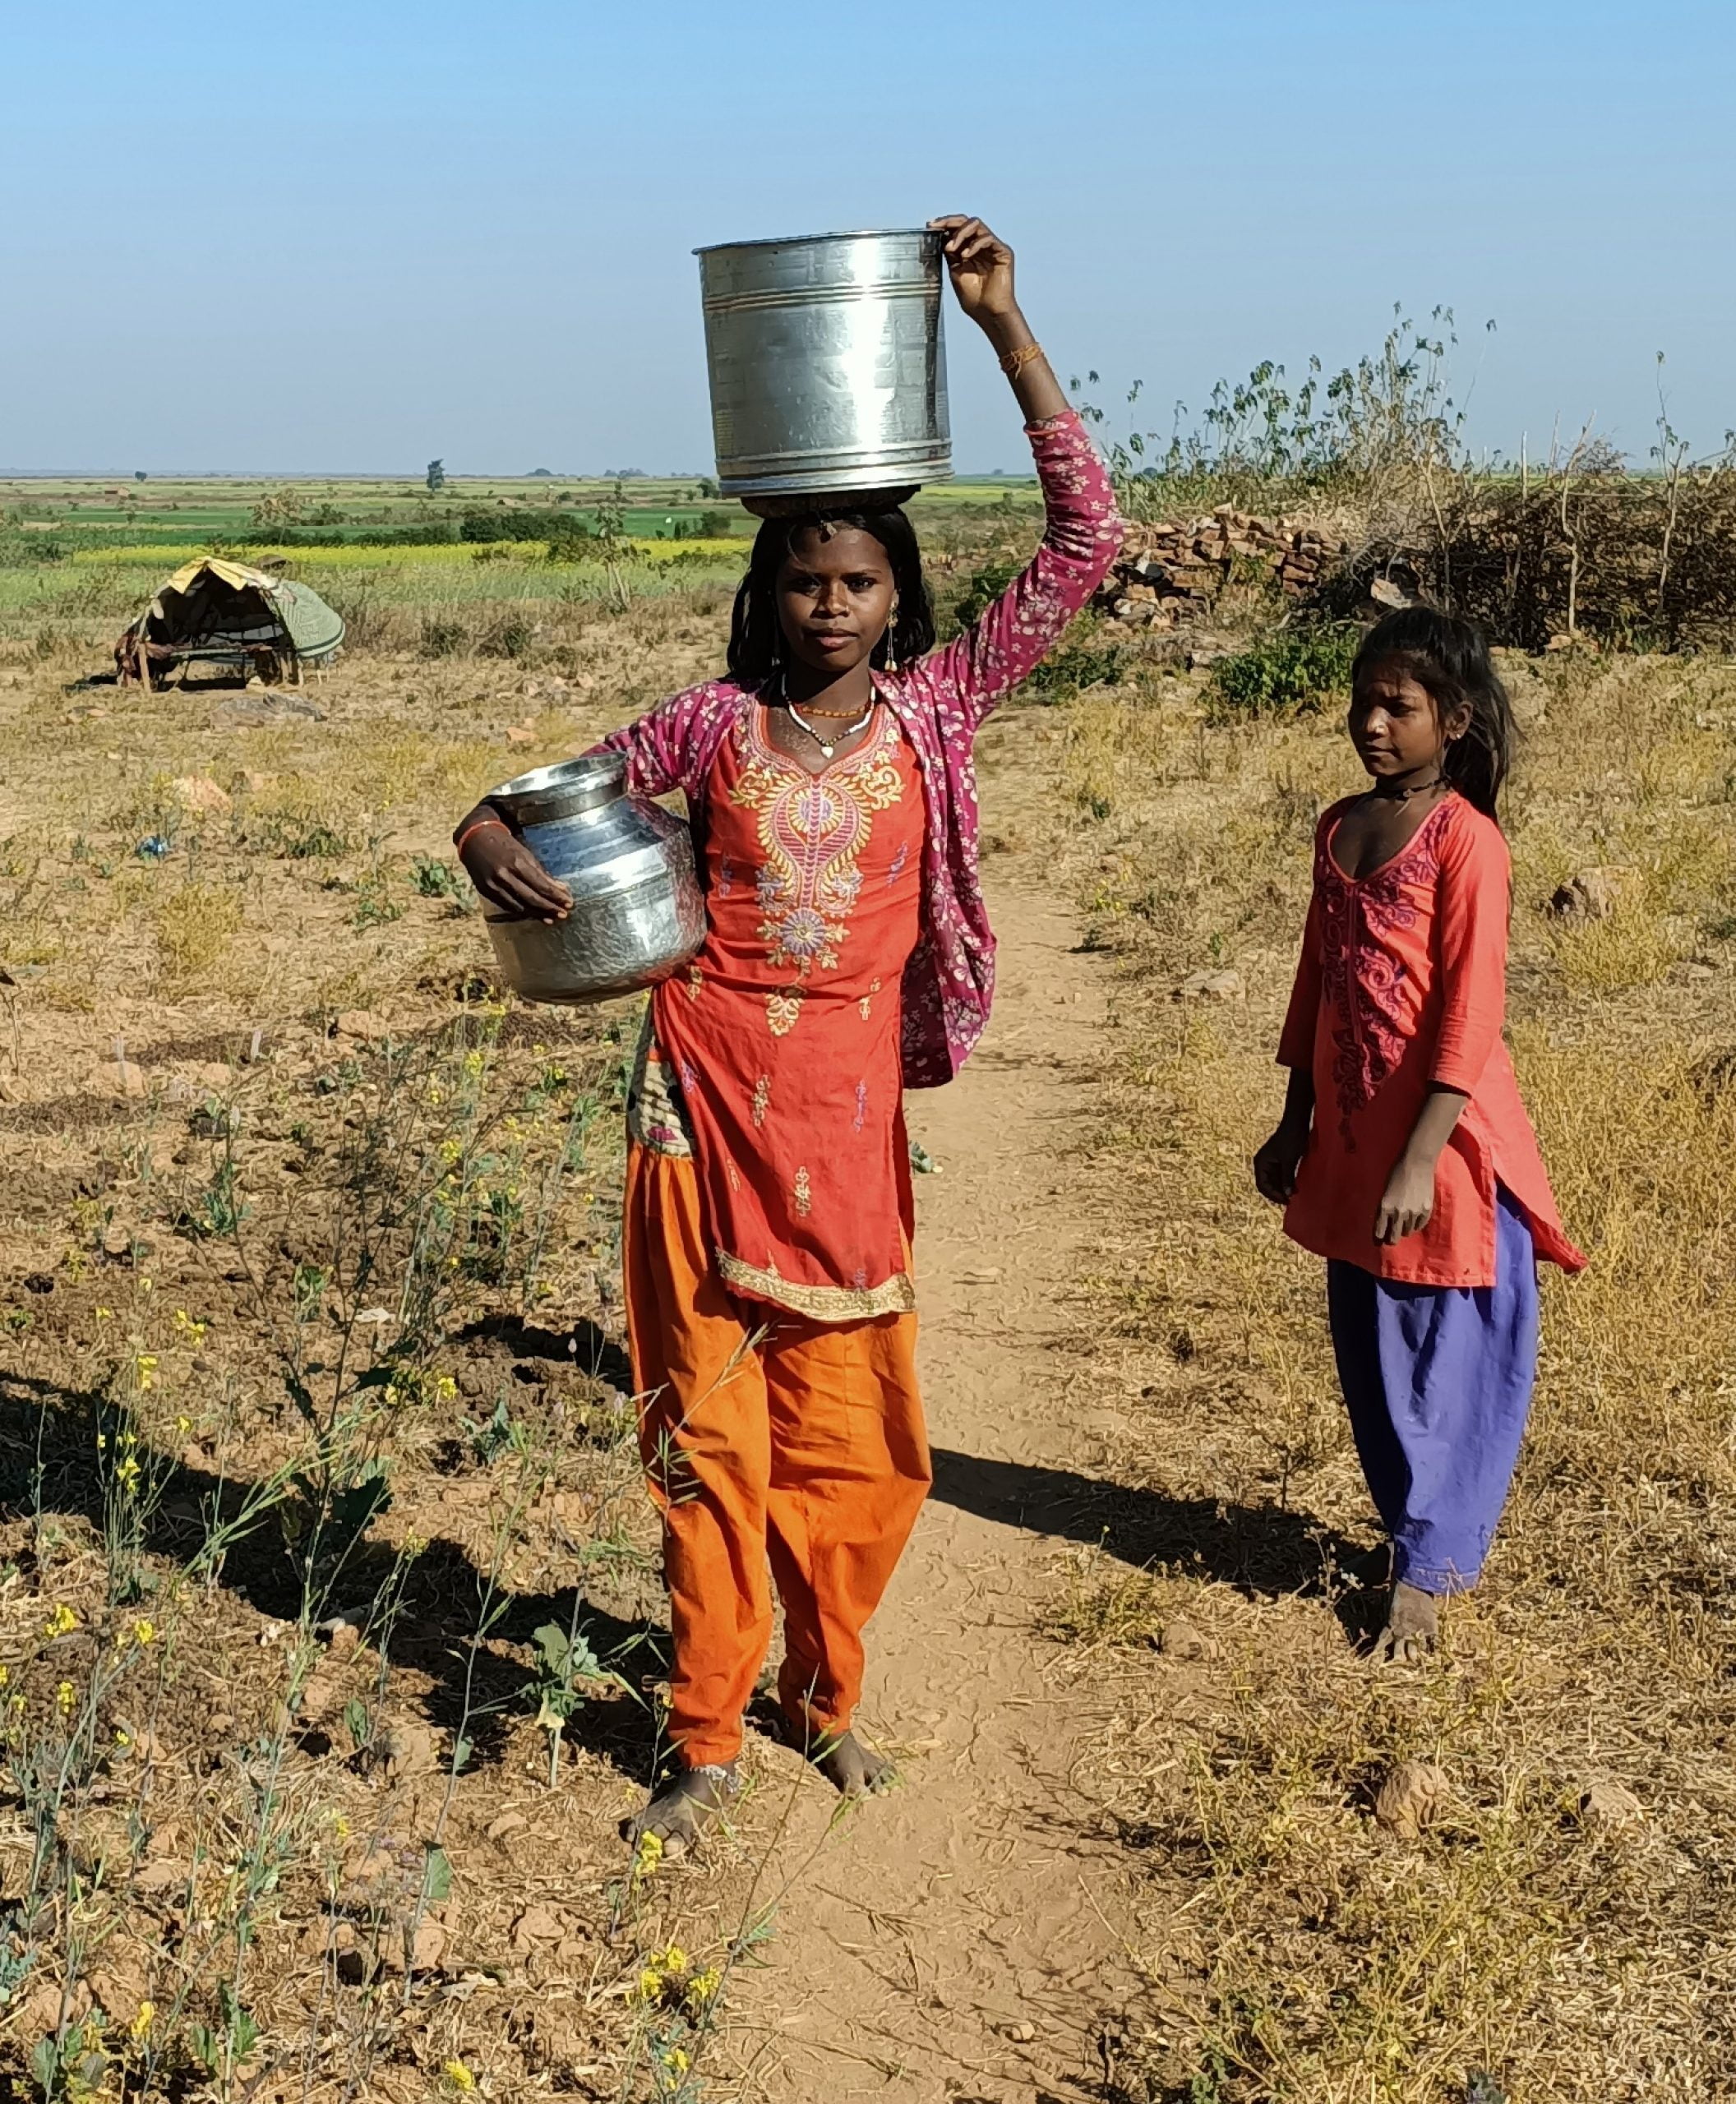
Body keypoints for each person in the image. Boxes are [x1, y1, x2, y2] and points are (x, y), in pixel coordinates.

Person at [455, 216, 1121, 1847]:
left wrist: (1003, 325)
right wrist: (484, 838)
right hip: (698, 1111)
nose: (830, 603)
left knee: (864, 1448)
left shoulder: (937, 710)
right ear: (771, 594)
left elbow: (1088, 539)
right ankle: (703, 1731)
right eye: (805, 580)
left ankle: (827, 1699)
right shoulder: (708, 724)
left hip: (848, 1129)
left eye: (860, 579)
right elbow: (525, 799)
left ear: (901, 597)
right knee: (703, 1438)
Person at [1253, 607, 1586, 1663]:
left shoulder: (1467, 842)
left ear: (1456, 720)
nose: (1373, 724)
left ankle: (1430, 1568)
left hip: (1441, 1138)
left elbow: (1469, 1009)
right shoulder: (1340, 826)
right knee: (1372, 1335)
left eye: (1399, 707)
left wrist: (1422, 1152)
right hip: (1354, 1130)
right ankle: (1409, 1528)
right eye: (1365, 703)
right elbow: (1317, 976)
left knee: (1450, 1343)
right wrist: (1293, 1118)